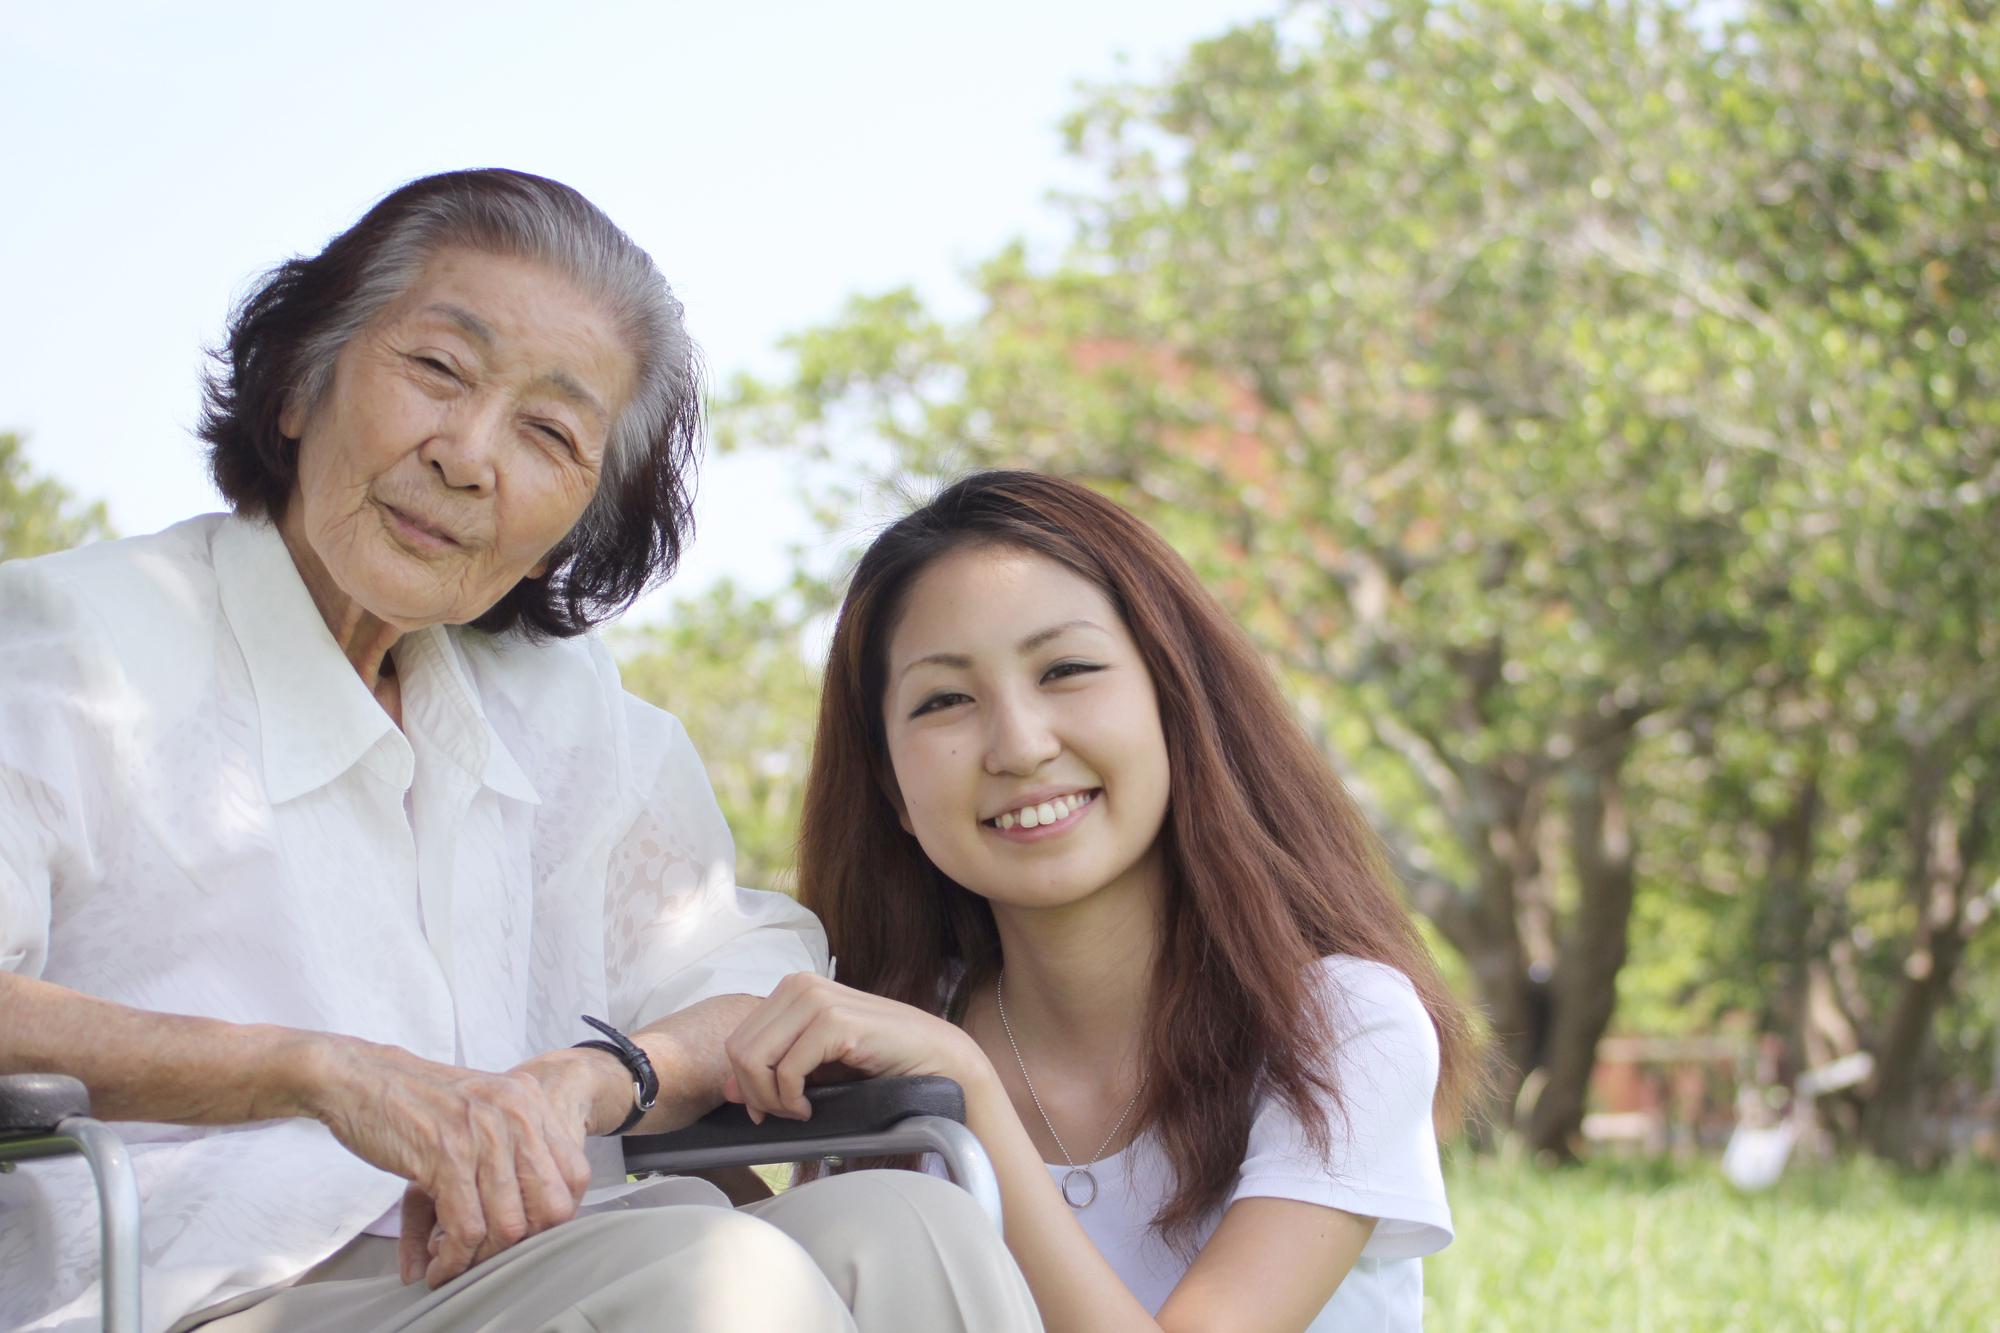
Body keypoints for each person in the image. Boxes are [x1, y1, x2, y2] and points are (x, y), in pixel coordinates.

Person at [0, 170, 1039, 1333]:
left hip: (540, 1271)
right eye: (436, 370)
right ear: (301, 383)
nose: (468, 455)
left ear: (575, 524)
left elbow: (745, 983)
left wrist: (598, 1079)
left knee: (912, 1225)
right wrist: (316, 1072)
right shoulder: (74, 642)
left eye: (548, 432)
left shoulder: (568, 714)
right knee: (717, 1274)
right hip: (199, 1294)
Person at [723, 471, 1479, 1332]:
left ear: (1176, 701)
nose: (1019, 743)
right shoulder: (896, 1032)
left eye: (1067, 669)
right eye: (945, 699)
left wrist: (966, 1088)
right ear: (891, 784)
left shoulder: (1343, 1027)